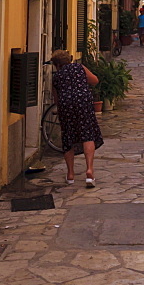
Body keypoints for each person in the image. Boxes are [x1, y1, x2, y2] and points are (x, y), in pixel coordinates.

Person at [51, 49, 103, 188]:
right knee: (87, 135)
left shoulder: (56, 76)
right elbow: (95, 80)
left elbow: (56, 99)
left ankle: (70, 174)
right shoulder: (79, 67)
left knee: (68, 136)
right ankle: (89, 171)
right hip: (83, 103)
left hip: (66, 105)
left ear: (57, 64)